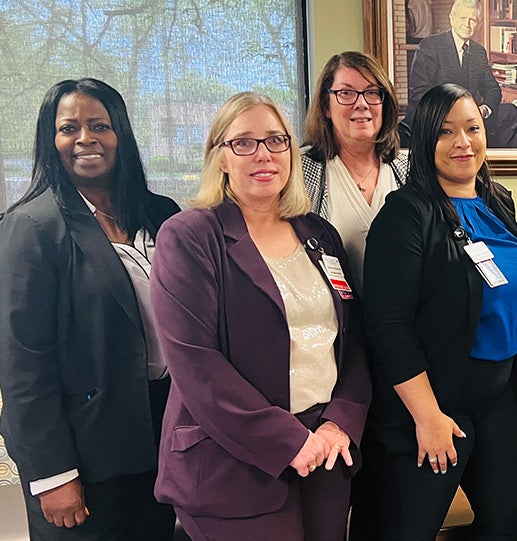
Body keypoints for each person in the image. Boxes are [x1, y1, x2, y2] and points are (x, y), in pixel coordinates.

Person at [150, 92, 371, 540]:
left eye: (275, 141)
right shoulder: (190, 237)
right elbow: (197, 365)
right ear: (220, 157)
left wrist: (341, 421)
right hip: (231, 465)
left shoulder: (319, 235)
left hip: (325, 454)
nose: (263, 154)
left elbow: (352, 340)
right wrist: (289, 442)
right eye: (244, 143)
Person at [0, 78, 179, 540]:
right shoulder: (31, 228)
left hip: (163, 434)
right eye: (69, 128)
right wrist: (52, 472)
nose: (85, 138)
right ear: (50, 139)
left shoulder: (162, 214)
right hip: (85, 455)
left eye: (100, 125)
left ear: (121, 134)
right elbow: (23, 364)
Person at [362, 83, 517, 540]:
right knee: (412, 528)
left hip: (499, 393)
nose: (463, 142)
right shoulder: (405, 214)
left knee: (504, 518)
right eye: (445, 132)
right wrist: (428, 416)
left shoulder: (500, 202)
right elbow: (389, 326)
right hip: (435, 399)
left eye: (472, 129)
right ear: (424, 141)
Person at [302, 51, 409, 287]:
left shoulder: (410, 168)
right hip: (335, 319)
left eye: (371, 93)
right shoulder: (298, 171)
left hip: (403, 320)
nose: (361, 104)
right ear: (326, 106)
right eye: (346, 93)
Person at [402, 0, 517, 148]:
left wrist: (484, 109)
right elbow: (418, 94)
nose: (467, 24)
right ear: (451, 18)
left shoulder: (478, 52)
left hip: (469, 116)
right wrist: (453, 113)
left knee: (510, 112)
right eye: (462, 18)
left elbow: (493, 89)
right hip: (437, 116)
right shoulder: (430, 46)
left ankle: (507, 166)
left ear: (478, 24)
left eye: (472, 20)